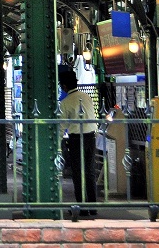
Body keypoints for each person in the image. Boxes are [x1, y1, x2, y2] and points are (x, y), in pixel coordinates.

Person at [58, 69, 98, 215]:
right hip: (91, 137)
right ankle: (93, 207)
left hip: (76, 140)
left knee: (78, 173)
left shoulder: (65, 102)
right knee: (90, 172)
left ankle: (81, 207)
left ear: (64, 86)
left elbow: (62, 125)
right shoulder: (87, 97)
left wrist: (58, 143)